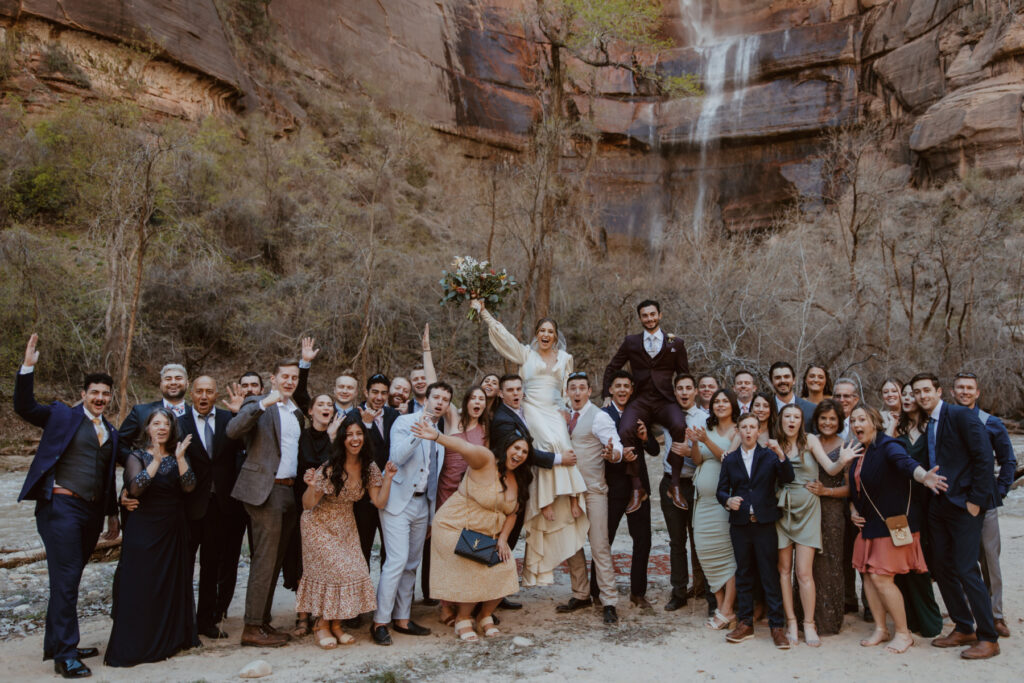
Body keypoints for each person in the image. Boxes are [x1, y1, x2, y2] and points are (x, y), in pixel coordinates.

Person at [14, 335, 120, 679]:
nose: (100, 398)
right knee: (66, 579)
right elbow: (25, 407)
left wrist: (112, 515)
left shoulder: (111, 432)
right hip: (60, 507)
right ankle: (65, 654)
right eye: (94, 393)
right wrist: (28, 367)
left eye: (105, 394)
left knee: (68, 578)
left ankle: (55, 643)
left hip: (90, 512)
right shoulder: (61, 415)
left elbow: (107, 477)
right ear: (83, 394)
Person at [472, 298, 588, 587]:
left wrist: (566, 409)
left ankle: (573, 497)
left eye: (550, 331)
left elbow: (565, 387)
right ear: (536, 334)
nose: (546, 335)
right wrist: (485, 313)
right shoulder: (525, 354)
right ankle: (546, 500)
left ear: (555, 335)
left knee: (563, 444)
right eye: (542, 331)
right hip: (532, 410)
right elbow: (503, 337)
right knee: (546, 444)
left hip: (554, 409)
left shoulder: (566, 357)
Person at [414, 417, 532, 640]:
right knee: (474, 566)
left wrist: (503, 539)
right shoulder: (486, 460)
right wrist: (438, 436)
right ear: (507, 446)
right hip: (453, 525)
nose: (519, 454)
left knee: (505, 567)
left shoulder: (518, 477)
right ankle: (462, 618)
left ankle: (485, 615)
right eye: (516, 448)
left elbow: (513, 513)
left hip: (481, 534)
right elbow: (465, 447)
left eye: (524, 452)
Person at [911, 372, 999, 659]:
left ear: (938, 391)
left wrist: (976, 501)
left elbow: (984, 457)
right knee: (942, 566)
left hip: (964, 506)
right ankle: (964, 627)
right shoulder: (929, 424)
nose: (922, 396)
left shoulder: (959, 415)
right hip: (939, 505)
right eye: (917, 392)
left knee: (966, 568)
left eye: (927, 390)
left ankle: (988, 637)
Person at [847, 405, 947, 654]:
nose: (857, 424)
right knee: (868, 576)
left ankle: (903, 634)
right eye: (853, 420)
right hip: (869, 524)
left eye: (862, 419)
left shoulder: (888, 445)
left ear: (875, 422)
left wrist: (924, 476)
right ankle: (881, 629)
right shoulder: (859, 450)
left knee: (881, 577)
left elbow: (906, 463)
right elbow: (857, 488)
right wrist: (852, 509)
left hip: (892, 524)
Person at [105, 410, 199, 666]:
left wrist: (179, 459)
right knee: (141, 582)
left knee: (170, 582)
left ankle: (172, 638)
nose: (161, 428)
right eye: (156, 423)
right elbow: (135, 488)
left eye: (166, 424)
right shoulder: (136, 456)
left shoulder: (180, 454)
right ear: (147, 428)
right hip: (144, 527)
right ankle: (139, 641)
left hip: (173, 527)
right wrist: (155, 461)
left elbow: (189, 486)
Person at [297, 416, 395, 648]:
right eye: (349, 434)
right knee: (336, 571)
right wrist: (312, 486)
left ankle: (337, 625)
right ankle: (321, 625)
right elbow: (307, 505)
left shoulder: (369, 467)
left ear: (364, 438)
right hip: (318, 523)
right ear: (342, 438)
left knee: (355, 570)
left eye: (359, 434)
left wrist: (388, 478)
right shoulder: (330, 467)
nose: (354, 439)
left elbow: (379, 502)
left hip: (345, 524)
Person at [226, 359, 305, 648]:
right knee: (264, 561)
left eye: (294, 377)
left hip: (288, 490)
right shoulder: (259, 403)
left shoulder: (295, 412)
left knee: (275, 562)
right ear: (273, 378)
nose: (289, 381)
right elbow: (233, 431)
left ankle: (262, 620)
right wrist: (262, 404)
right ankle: (252, 627)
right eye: (284, 376)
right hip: (265, 490)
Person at [371, 382, 453, 646]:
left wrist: (431, 516)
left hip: (422, 506)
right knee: (396, 561)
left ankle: (402, 618)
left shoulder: (440, 436)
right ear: (426, 399)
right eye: (436, 397)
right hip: (397, 502)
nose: (440, 402)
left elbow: (433, 479)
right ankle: (380, 622)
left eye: (445, 399)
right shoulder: (405, 422)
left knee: (411, 564)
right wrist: (420, 433)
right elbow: (395, 456)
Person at [773, 404, 859, 646]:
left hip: (809, 510)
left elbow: (830, 468)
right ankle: (791, 621)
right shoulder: (774, 443)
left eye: (797, 417)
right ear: (781, 420)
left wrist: (843, 460)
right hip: (783, 510)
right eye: (787, 416)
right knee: (783, 570)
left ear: (802, 421)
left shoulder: (810, 440)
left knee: (804, 572)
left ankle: (808, 624)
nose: (792, 420)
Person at [489, 373, 570, 609]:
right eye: (510, 390)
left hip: (522, 483)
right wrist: (559, 459)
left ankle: (496, 594)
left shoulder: (523, 411)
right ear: (501, 394)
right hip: (508, 485)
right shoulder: (503, 420)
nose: (515, 393)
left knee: (510, 540)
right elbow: (524, 453)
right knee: (502, 538)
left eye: (518, 389)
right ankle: (487, 598)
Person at [601, 299, 690, 513]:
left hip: (666, 400)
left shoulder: (675, 343)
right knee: (625, 430)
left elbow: (684, 373)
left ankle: (675, 484)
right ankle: (636, 487)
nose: (649, 319)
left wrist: (685, 397)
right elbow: (612, 367)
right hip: (640, 399)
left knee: (680, 426)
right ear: (640, 318)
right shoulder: (631, 342)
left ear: (660, 315)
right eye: (645, 315)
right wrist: (606, 394)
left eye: (652, 314)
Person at [717, 412, 795, 648]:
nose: (749, 431)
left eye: (753, 427)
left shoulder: (769, 456)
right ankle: (745, 623)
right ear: (738, 431)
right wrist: (728, 501)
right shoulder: (730, 460)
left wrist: (781, 455)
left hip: (764, 524)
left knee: (769, 574)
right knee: (743, 573)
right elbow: (721, 490)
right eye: (744, 427)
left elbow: (788, 477)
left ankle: (777, 627)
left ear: (759, 431)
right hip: (740, 525)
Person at [178, 375, 244, 640]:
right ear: (190, 394)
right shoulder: (178, 423)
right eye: (199, 391)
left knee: (210, 565)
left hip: (221, 506)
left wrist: (241, 416)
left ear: (217, 394)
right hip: (189, 505)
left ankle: (205, 620)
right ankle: (181, 622)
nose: (204, 396)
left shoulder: (230, 420)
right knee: (183, 565)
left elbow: (245, 450)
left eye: (209, 391)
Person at [951, 371, 1016, 638]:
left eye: (970, 388)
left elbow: (1008, 460)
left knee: (989, 559)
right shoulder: (947, 421)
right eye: (960, 388)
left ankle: (996, 616)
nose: (965, 392)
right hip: (955, 503)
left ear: (977, 393)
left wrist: (998, 491)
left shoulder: (991, 423)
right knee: (961, 560)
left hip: (985, 503)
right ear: (952, 392)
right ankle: (966, 613)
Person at [558, 371, 623, 624]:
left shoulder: (600, 417)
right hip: (567, 490)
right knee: (572, 545)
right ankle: (581, 594)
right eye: (572, 388)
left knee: (599, 545)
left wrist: (612, 454)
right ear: (567, 392)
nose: (576, 392)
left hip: (593, 490)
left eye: (581, 388)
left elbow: (615, 445)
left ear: (589, 391)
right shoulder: (562, 416)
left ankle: (609, 601)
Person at [591, 370, 658, 609]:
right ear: (610, 389)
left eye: (626, 386)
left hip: (640, 485)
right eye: (617, 386)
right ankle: (595, 590)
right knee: (604, 539)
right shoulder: (602, 415)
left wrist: (645, 436)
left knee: (643, 540)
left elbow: (654, 450)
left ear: (631, 390)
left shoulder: (640, 413)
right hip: (614, 486)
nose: (621, 390)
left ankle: (637, 593)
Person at [287, 395, 344, 638]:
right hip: (305, 503)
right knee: (302, 560)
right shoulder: (302, 436)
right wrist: (330, 440)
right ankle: (302, 615)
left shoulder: (339, 438)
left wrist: (333, 438)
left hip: (331, 507)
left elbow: (340, 468)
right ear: (310, 411)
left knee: (326, 561)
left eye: (329, 405)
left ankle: (325, 614)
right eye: (320, 404)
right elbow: (309, 465)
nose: (325, 408)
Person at [434, 385, 489, 624]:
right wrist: (427, 348)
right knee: (446, 550)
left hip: (472, 498)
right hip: (447, 493)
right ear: (465, 402)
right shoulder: (454, 419)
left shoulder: (487, 430)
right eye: (473, 397)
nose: (477, 402)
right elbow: (434, 386)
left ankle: (469, 602)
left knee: (470, 549)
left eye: (482, 399)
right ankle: (445, 606)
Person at [891, 384, 943, 638]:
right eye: (905, 395)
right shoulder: (896, 430)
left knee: (921, 564)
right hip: (899, 508)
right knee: (902, 562)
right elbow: (884, 452)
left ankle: (929, 619)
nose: (910, 399)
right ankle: (907, 618)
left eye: (914, 395)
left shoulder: (932, 428)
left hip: (928, 505)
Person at [689, 389, 740, 630]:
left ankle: (728, 609)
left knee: (727, 557)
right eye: (716, 401)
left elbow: (729, 459)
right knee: (705, 552)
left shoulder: (738, 430)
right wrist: (694, 442)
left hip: (724, 503)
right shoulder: (707, 428)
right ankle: (720, 606)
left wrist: (705, 441)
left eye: (725, 401)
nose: (720, 404)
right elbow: (698, 460)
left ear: (732, 405)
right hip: (702, 502)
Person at [659, 374, 707, 612]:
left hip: (696, 484)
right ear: (675, 392)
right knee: (677, 541)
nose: (685, 392)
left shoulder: (706, 418)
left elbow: (712, 453)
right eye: (680, 388)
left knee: (701, 541)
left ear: (696, 391)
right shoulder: (667, 414)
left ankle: (706, 589)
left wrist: (691, 451)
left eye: (689, 388)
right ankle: (679, 591)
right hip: (671, 483)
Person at [803, 399, 851, 635]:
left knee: (830, 562)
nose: (828, 423)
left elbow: (851, 488)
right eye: (823, 418)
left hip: (832, 511)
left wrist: (827, 491)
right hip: (808, 509)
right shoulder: (809, 441)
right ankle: (806, 615)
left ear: (840, 421)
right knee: (806, 564)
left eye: (833, 419)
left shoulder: (846, 446)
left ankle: (829, 619)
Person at [350, 373, 401, 569]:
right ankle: (361, 595)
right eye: (375, 392)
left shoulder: (394, 416)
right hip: (363, 491)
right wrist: (368, 425)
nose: (379, 397)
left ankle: (387, 595)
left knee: (390, 547)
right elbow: (357, 451)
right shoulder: (354, 415)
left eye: (384, 393)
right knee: (363, 543)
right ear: (366, 392)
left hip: (391, 489)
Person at [117, 363, 190, 464]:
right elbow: (120, 443)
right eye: (168, 379)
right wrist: (135, 465)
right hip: (149, 477)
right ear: (161, 384)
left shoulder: (196, 415)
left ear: (187, 383)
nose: (173, 382)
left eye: (178, 378)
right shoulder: (140, 412)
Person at [769, 362, 816, 433]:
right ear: (772, 382)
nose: (782, 381)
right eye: (777, 377)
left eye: (786, 377)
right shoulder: (766, 409)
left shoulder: (811, 409)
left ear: (794, 380)